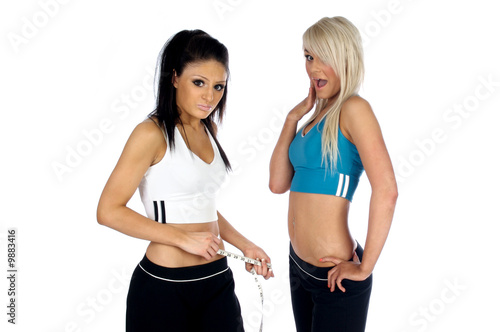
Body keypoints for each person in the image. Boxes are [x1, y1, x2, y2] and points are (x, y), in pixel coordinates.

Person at [97, 29, 273, 332]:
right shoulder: (151, 134)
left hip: (217, 279)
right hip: (164, 287)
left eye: (219, 86)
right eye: (199, 83)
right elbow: (108, 211)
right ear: (174, 77)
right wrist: (181, 238)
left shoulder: (210, 131)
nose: (210, 97)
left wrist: (245, 245)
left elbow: (199, 206)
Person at [269, 17, 398, 332]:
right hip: (299, 266)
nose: (313, 68)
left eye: (323, 57)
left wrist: (365, 267)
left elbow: (387, 190)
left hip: (335, 276)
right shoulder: (312, 119)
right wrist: (292, 118)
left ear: (345, 57)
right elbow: (277, 184)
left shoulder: (354, 109)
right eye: (309, 56)